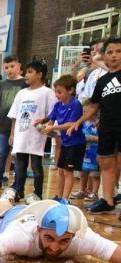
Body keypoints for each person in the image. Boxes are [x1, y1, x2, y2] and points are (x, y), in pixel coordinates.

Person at [67, 37, 121, 215]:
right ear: (104, 56)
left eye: (118, 51)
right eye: (110, 52)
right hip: (107, 126)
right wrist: (79, 121)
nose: (114, 56)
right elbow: (94, 106)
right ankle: (107, 200)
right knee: (105, 161)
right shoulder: (102, 81)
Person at [8, 60, 58, 204]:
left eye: (30, 72)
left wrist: (48, 126)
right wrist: (12, 134)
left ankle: (37, 192)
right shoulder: (21, 93)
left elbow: (53, 113)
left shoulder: (48, 93)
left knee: (36, 165)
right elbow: (15, 115)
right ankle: (18, 191)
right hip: (21, 134)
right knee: (20, 166)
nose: (27, 75)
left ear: (39, 75)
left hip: (36, 135)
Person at [43, 75, 85, 203]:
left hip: (75, 143)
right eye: (55, 91)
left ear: (71, 90)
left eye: (59, 92)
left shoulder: (76, 104)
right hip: (65, 143)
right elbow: (51, 118)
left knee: (68, 172)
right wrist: (46, 125)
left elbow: (71, 123)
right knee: (61, 171)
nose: (56, 94)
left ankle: (65, 199)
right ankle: (59, 196)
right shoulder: (58, 105)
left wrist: (53, 127)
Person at [0, 56, 27, 190]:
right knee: (1, 153)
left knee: (17, 155)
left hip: (20, 125)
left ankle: (17, 183)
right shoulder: (1, 84)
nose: (9, 70)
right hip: (3, 124)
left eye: (12, 66)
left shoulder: (25, 83)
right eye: (6, 67)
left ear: (18, 65)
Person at [72, 117, 100, 201]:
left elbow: (103, 138)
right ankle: (81, 191)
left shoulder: (99, 123)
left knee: (95, 175)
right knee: (83, 174)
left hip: (96, 152)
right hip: (85, 152)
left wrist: (91, 138)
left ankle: (94, 193)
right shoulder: (83, 123)